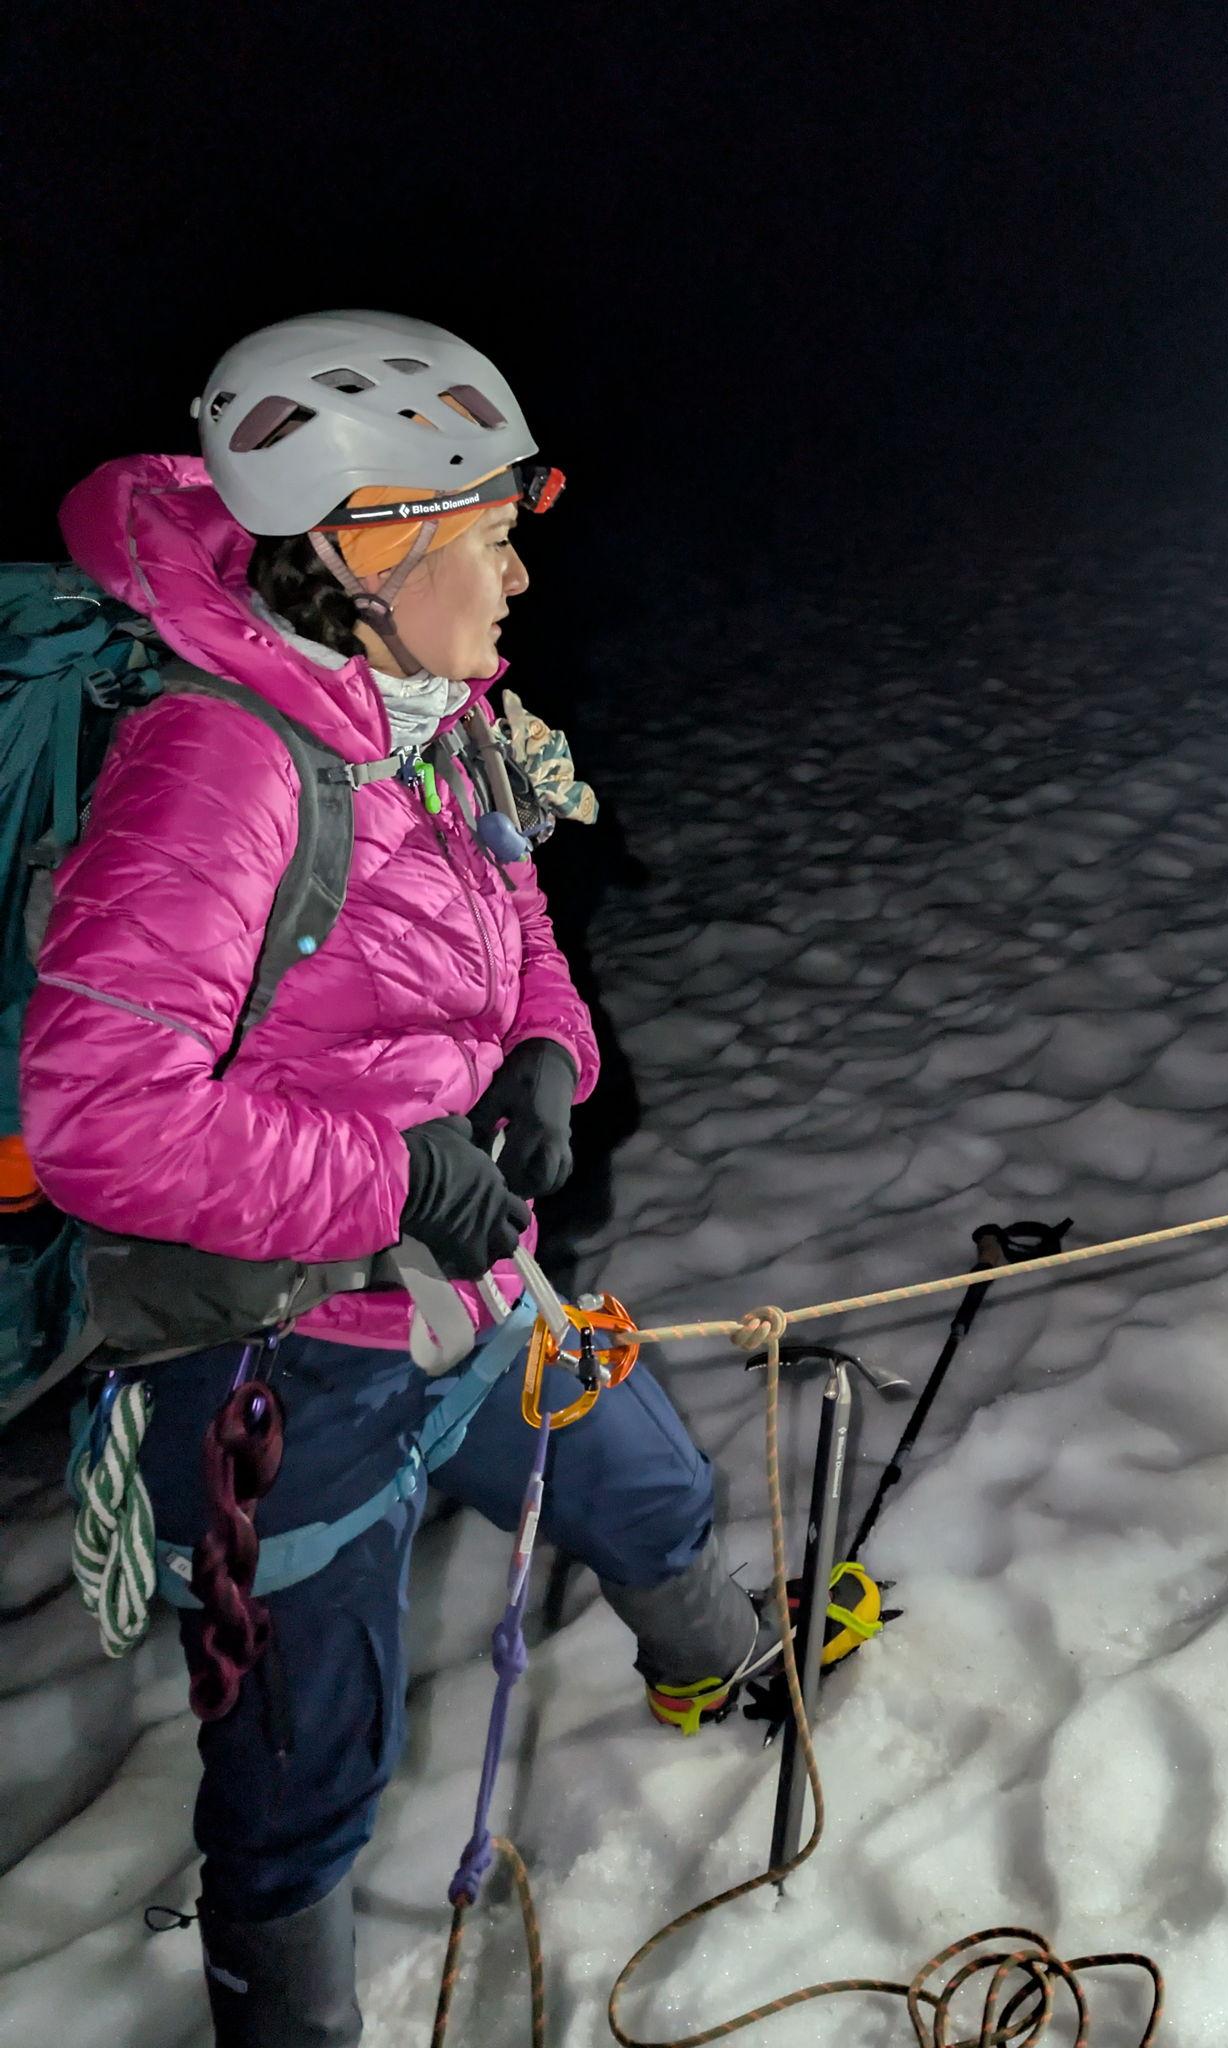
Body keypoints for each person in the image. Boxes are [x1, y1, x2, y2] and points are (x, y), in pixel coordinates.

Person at [19, 314, 792, 2048]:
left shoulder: (432, 709)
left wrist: (545, 1057)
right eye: (488, 533)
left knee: (640, 1470)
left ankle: (723, 1662)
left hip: (473, 1270)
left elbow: (512, 915)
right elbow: (98, 1117)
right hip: (296, 1354)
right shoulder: (219, 763)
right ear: (368, 546)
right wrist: (388, 1176)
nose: (519, 569)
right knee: (305, 1750)